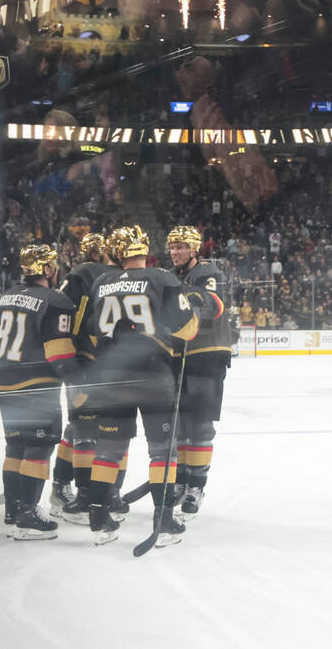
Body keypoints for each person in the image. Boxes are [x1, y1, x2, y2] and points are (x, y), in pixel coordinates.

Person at [86, 225, 199, 547]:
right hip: (153, 374)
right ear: (144, 250)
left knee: (108, 449)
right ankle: (163, 519)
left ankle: (98, 518)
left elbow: (93, 330)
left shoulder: (101, 282)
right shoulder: (162, 277)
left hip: (110, 375)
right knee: (163, 450)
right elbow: (188, 330)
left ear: (119, 253)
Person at [0, 245, 79, 539]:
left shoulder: (6, 297)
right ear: (45, 269)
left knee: (15, 447)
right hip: (36, 388)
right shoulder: (55, 300)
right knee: (38, 450)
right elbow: (59, 352)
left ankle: (13, 509)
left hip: (5, 383)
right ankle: (28, 515)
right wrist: (79, 380)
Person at [51, 232, 119, 525]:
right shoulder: (115, 275)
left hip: (84, 359)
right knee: (92, 429)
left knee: (80, 427)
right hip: (101, 361)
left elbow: (58, 310)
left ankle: (64, 487)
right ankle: (86, 494)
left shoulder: (76, 274)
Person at [166, 225, 232, 522]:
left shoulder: (208, 272)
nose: (175, 252)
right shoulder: (173, 276)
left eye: (180, 247)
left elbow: (213, 307)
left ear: (194, 249)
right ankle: (181, 480)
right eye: (172, 247)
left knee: (200, 426)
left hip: (207, 355)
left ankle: (196, 486)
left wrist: (179, 304)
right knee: (181, 425)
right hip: (181, 357)